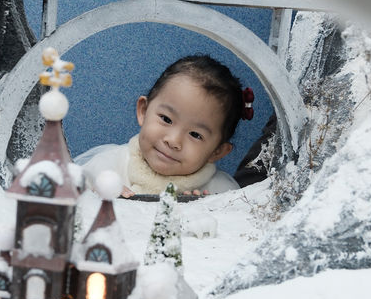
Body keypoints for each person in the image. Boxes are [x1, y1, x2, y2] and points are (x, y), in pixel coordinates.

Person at [76, 55, 253, 197]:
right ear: (143, 111)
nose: (173, 141)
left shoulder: (222, 193)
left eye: (195, 134)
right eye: (166, 119)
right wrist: (94, 198)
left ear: (217, 151)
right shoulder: (106, 168)